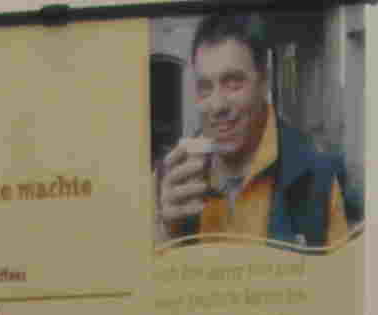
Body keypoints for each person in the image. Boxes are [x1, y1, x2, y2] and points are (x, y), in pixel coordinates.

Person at [151, 18, 356, 257]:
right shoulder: (166, 180)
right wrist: (166, 234)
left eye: (233, 83)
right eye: (205, 87)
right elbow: (139, 284)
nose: (217, 105)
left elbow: (337, 287)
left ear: (264, 81)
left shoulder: (317, 180)